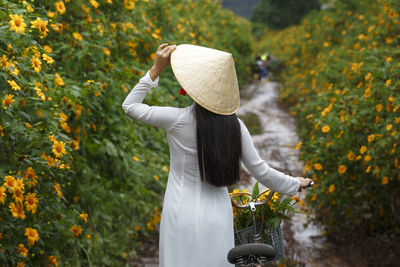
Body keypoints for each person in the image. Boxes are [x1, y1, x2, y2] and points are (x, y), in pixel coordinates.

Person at [122, 43, 312, 267]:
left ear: (193, 86)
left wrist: (155, 70)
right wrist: (294, 183)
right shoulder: (236, 127)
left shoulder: (177, 119)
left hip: (179, 213)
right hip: (217, 218)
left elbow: (130, 105)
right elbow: (261, 171)